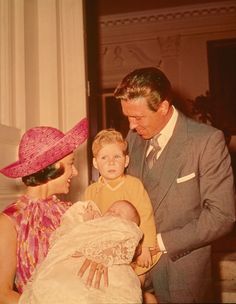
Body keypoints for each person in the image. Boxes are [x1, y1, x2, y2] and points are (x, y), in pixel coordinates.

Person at [113, 66, 236, 303]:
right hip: (134, 276)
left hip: (182, 276)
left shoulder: (206, 141)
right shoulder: (133, 138)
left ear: (163, 107)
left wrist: (158, 243)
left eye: (137, 117)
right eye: (127, 117)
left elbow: (222, 216)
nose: (131, 126)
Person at [0, 118, 88, 304]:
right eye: (71, 163)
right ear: (53, 165)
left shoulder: (70, 211)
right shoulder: (9, 221)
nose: (75, 172)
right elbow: (3, 293)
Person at [83, 128, 161, 303]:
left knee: (132, 289)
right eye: (104, 158)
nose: (111, 162)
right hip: (106, 251)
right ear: (95, 163)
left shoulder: (133, 185)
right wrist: (88, 222)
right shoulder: (92, 191)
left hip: (134, 251)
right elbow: (90, 224)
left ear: (126, 161)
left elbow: (146, 216)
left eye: (116, 157)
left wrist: (147, 247)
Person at [19, 200, 144, 304]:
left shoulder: (125, 228)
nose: (112, 212)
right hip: (74, 264)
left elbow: (131, 240)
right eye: (110, 209)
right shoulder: (91, 220)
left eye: (119, 213)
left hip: (110, 267)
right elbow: (73, 235)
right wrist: (87, 222)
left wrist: (107, 253)